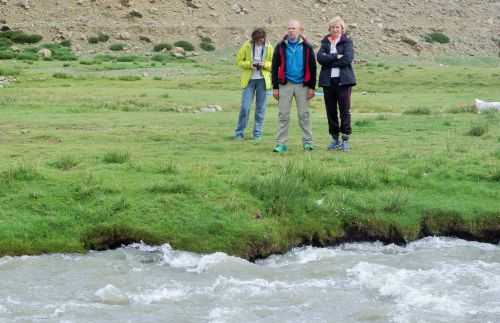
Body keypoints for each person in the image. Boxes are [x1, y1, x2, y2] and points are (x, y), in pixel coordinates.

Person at [271, 19, 317, 153]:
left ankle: (308, 143)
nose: (291, 31)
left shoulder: (307, 47)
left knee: (304, 115)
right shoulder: (280, 46)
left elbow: (313, 67)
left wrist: (312, 87)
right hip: (285, 85)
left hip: (302, 85)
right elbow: (274, 67)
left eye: (294, 28)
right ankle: (281, 144)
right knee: (283, 115)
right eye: (289, 28)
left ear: (299, 30)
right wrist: (275, 87)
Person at [317, 16, 356, 151]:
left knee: (345, 111)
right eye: (333, 27)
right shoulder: (325, 42)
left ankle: (345, 139)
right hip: (328, 82)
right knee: (331, 111)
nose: (335, 29)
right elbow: (320, 58)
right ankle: (334, 139)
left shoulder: (347, 42)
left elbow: (347, 59)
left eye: (337, 27)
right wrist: (335, 56)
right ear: (329, 29)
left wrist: (330, 61)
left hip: (343, 82)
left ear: (342, 29)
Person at [234, 28, 274, 141]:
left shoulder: (269, 47)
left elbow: (274, 64)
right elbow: (239, 61)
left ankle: (257, 134)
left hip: (263, 80)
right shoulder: (246, 46)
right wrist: (249, 64)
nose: (259, 42)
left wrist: (264, 64)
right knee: (245, 107)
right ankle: (239, 133)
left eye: (261, 39)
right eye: (257, 40)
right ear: (253, 39)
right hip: (249, 80)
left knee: (260, 108)